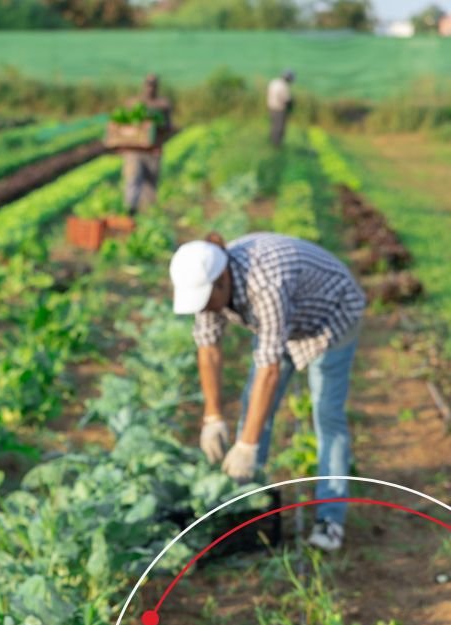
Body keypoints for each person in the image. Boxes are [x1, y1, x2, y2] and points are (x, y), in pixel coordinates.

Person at [169, 232, 366, 553]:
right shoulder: (211, 282)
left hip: (332, 316)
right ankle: (245, 504)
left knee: (327, 417)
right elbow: (208, 347)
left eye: (207, 299)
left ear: (222, 281)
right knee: (254, 405)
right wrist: (213, 416)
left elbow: (270, 370)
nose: (204, 308)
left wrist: (246, 445)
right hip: (288, 318)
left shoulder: (265, 284)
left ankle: (330, 520)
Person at [119, 73, 173, 214]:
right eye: (148, 84)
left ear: (157, 87)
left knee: (150, 183)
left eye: (153, 85)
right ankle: (130, 210)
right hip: (134, 150)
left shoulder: (162, 105)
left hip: (152, 150)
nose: (150, 88)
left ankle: (148, 213)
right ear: (144, 85)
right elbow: (123, 127)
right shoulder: (133, 103)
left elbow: (168, 128)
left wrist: (159, 140)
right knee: (132, 180)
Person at [267, 69, 295, 148]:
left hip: (271, 106)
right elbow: (286, 100)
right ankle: (276, 145)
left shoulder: (274, 82)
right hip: (279, 109)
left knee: (273, 125)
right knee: (279, 127)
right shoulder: (284, 86)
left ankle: (271, 141)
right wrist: (291, 107)